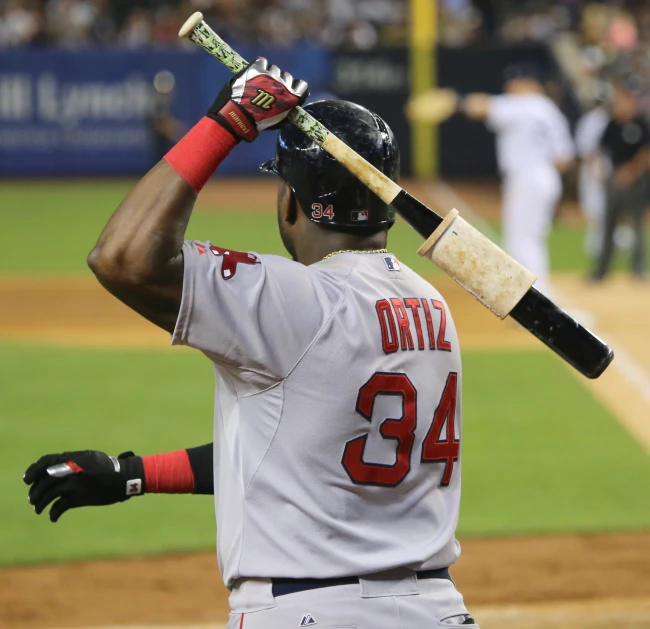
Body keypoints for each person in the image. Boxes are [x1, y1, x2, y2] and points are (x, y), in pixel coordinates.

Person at [23, 60, 476, 629]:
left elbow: (122, 258)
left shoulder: (295, 299)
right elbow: (293, 455)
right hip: (436, 611)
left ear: (290, 201)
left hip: (309, 610)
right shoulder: (430, 305)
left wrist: (229, 119)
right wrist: (133, 473)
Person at [457, 62, 575, 296]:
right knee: (531, 238)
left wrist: (455, 101)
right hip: (546, 177)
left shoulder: (523, 104)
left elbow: (479, 107)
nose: (510, 86)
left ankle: (536, 299)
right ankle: (534, 295)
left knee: (522, 241)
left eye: (515, 81)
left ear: (529, 84)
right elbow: (564, 158)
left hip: (527, 178)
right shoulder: (549, 109)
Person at [591, 77, 650, 281]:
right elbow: (600, 149)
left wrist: (630, 172)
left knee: (636, 226)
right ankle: (600, 271)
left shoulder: (641, 124)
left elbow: (646, 153)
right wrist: (598, 170)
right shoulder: (613, 124)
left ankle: (638, 270)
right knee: (608, 226)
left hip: (636, 182)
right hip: (613, 180)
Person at [575, 99, 610, 258]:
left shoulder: (594, 119)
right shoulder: (602, 118)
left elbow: (588, 147)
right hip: (598, 164)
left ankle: (600, 243)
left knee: (597, 206)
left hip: (596, 165)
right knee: (594, 207)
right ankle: (600, 242)